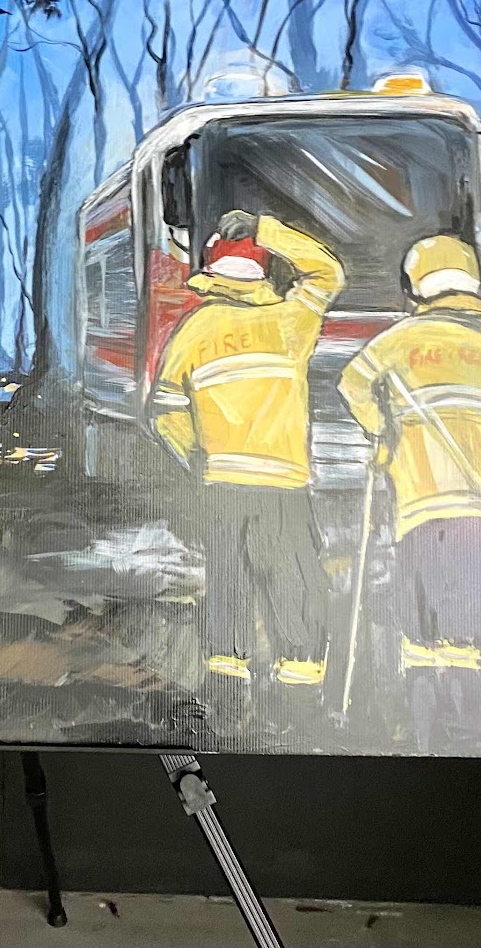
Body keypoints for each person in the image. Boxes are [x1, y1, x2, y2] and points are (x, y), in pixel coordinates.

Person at [337, 235, 481, 694]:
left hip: (420, 500)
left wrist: (381, 431)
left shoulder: (401, 340)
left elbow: (352, 383)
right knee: (467, 609)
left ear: (416, 288)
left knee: (420, 607)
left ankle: (422, 705)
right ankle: (466, 706)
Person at [150, 209, 345, 688]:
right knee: (293, 576)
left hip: (222, 479)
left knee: (228, 580)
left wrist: (195, 454)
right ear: (264, 271)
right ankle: (300, 680)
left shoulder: (195, 329)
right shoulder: (291, 321)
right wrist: (266, 229)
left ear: (213, 271)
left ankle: (227, 681)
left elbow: (166, 410)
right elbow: (328, 273)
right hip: (284, 479)